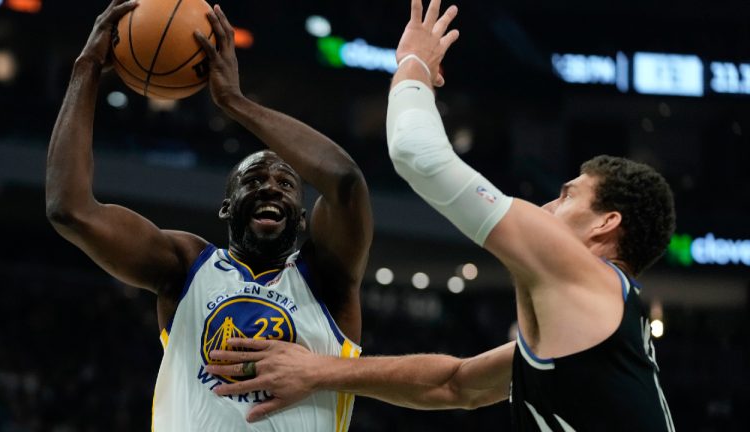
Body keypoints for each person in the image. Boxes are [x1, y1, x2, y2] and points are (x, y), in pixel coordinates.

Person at [202, 1, 677, 431]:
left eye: (567, 197)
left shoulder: (588, 279)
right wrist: (318, 371)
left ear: (605, 224)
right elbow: (454, 385)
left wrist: (413, 64)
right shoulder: (593, 329)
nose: (547, 207)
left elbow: (417, 154)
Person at [45, 1, 373, 431]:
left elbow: (345, 181)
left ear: (304, 217)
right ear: (226, 207)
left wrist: (235, 102)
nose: (271, 186)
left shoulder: (328, 281)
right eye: (253, 181)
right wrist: (86, 68)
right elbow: (69, 209)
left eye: (286, 184)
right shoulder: (185, 266)